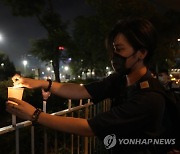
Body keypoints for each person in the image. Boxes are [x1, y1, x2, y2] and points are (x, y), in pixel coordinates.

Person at [6, 18, 171, 153]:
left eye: (120, 49)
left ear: (141, 53)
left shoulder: (150, 97)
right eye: (114, 49)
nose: (114, 56)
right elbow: (81, 90)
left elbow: (89, 128)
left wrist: (35, 115)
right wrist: (40, 83)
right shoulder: (121, 79)